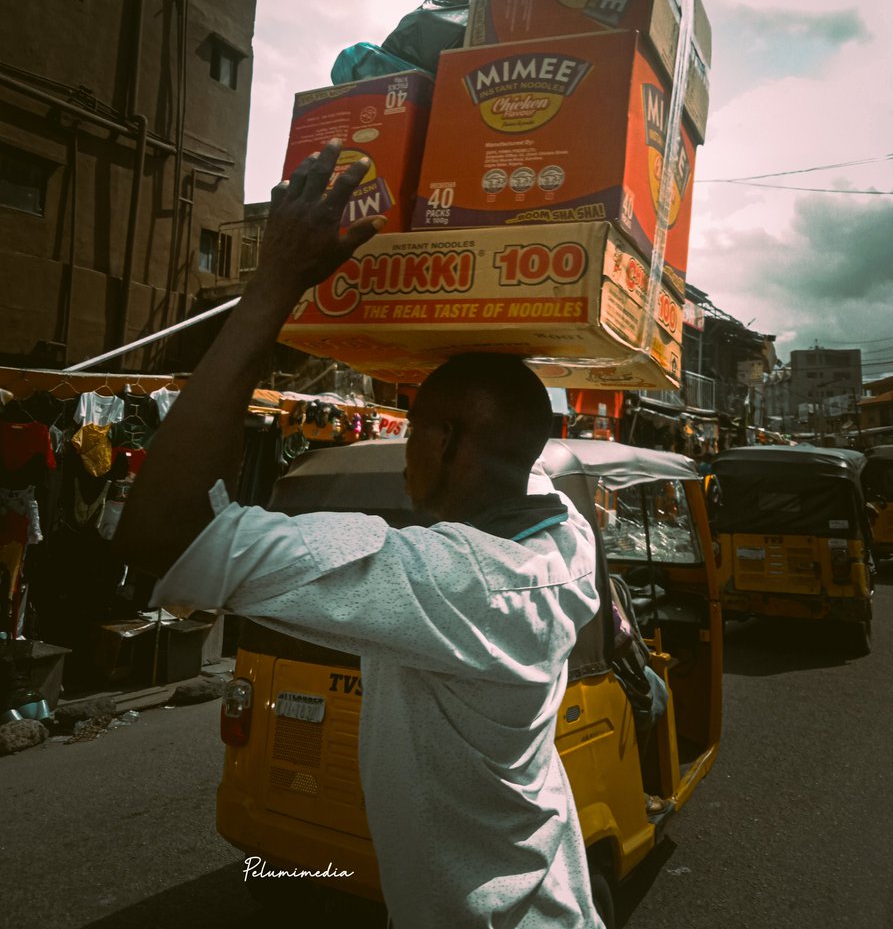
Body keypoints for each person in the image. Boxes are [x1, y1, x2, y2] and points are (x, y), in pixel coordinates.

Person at [114, 141, 604, 929]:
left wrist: (276, 282)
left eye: (412, 430)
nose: (404, 447)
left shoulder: (454, 584)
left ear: (443, 443)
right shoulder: (564, 537)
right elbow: (511, 446)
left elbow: (161, 537)